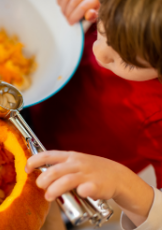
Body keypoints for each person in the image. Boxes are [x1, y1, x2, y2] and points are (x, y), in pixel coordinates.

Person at [25, 0, 162, 229]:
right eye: (102, 25)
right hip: (39, 106)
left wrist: (122, 184)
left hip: (65, 172)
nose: (99, 51)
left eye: (127, 61)